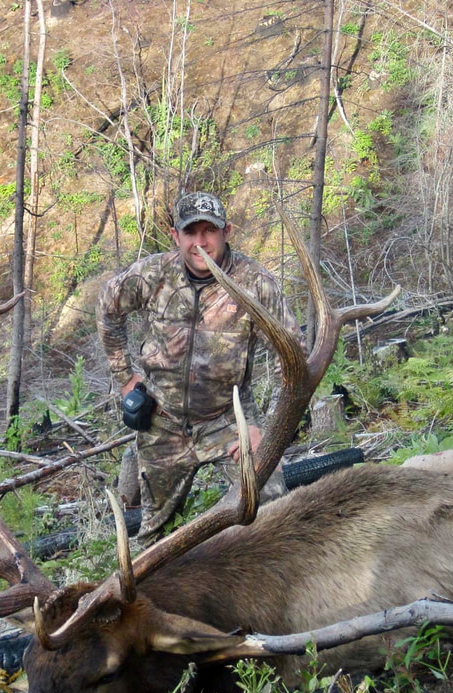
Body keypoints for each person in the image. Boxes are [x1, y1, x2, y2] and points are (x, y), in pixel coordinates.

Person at [96, 191, 302, 541]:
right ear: (176, 236)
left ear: (227, 232)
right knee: (153, 540)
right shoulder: (153, 274)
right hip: (163, 422)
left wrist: (265, 431)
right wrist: (124, 377)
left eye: (210, 231)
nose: (201, 242)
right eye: (191, 233)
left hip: (228, 420)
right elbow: (107, 306)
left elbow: (295, 363)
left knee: (270, 511)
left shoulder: (254, 284)